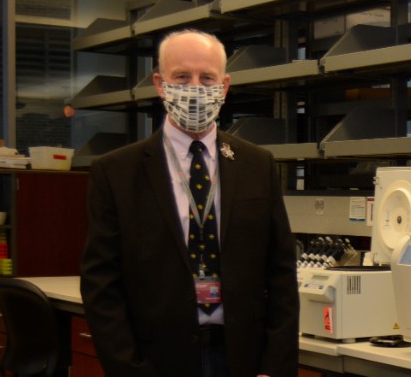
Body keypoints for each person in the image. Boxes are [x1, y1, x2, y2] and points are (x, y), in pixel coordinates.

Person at [80, 29, 298, 377]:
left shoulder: (257, 165)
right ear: (160, 83)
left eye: (206, 78)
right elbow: (101, 284)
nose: (195, 88)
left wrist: (274, 368)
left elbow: (282, 274)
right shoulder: (116, 172)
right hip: (158, 362)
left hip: (243, 359)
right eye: (182, 77)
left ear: (224, 86)